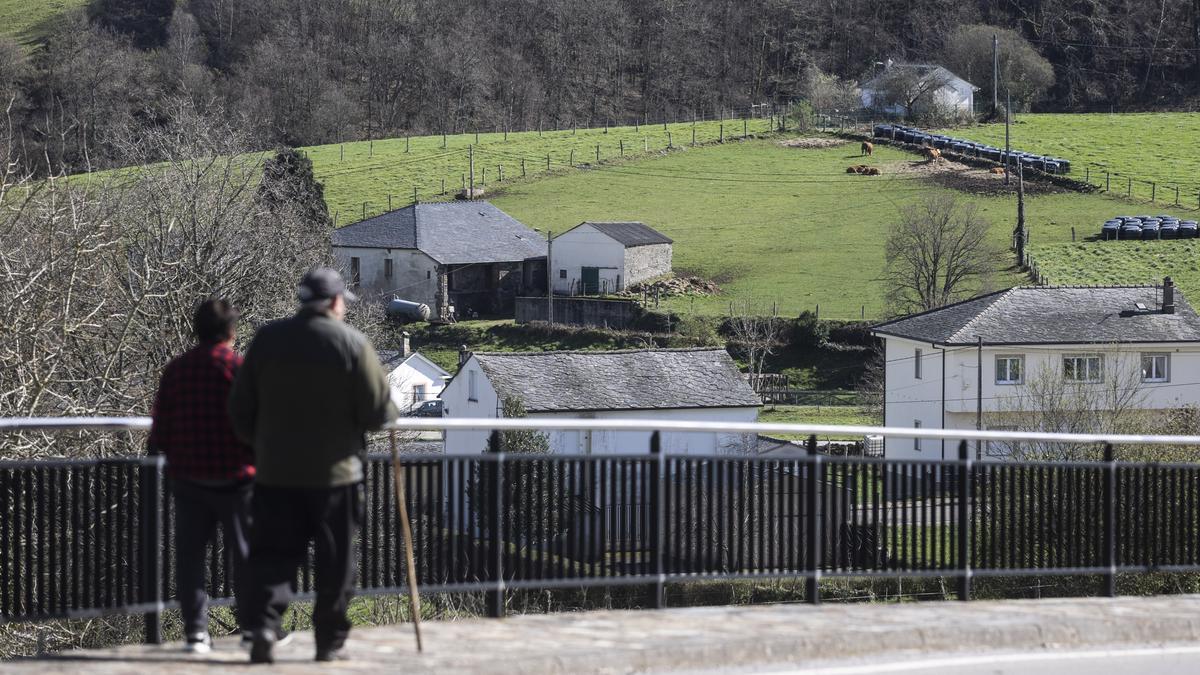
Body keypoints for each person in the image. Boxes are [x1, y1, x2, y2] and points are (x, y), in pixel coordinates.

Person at [230, 267, 397, 664]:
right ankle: (328, 642)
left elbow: (238, 410)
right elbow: (378, 413)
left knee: (273, 557)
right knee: (335, 562)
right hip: (336, 476)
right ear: (336, 302)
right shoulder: (352, 343)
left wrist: (262, 446)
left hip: (275, 475)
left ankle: (265, 627)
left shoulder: (268, 340)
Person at [148, 298, 255, 654]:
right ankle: (252, 625)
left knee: (191, 558)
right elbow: (257, 425)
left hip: (189, 478)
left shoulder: (177, 370)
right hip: (237, 479)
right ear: (231, 332)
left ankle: (196, 632)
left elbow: (160, 432)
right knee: (245, 555)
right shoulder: (239, 368)